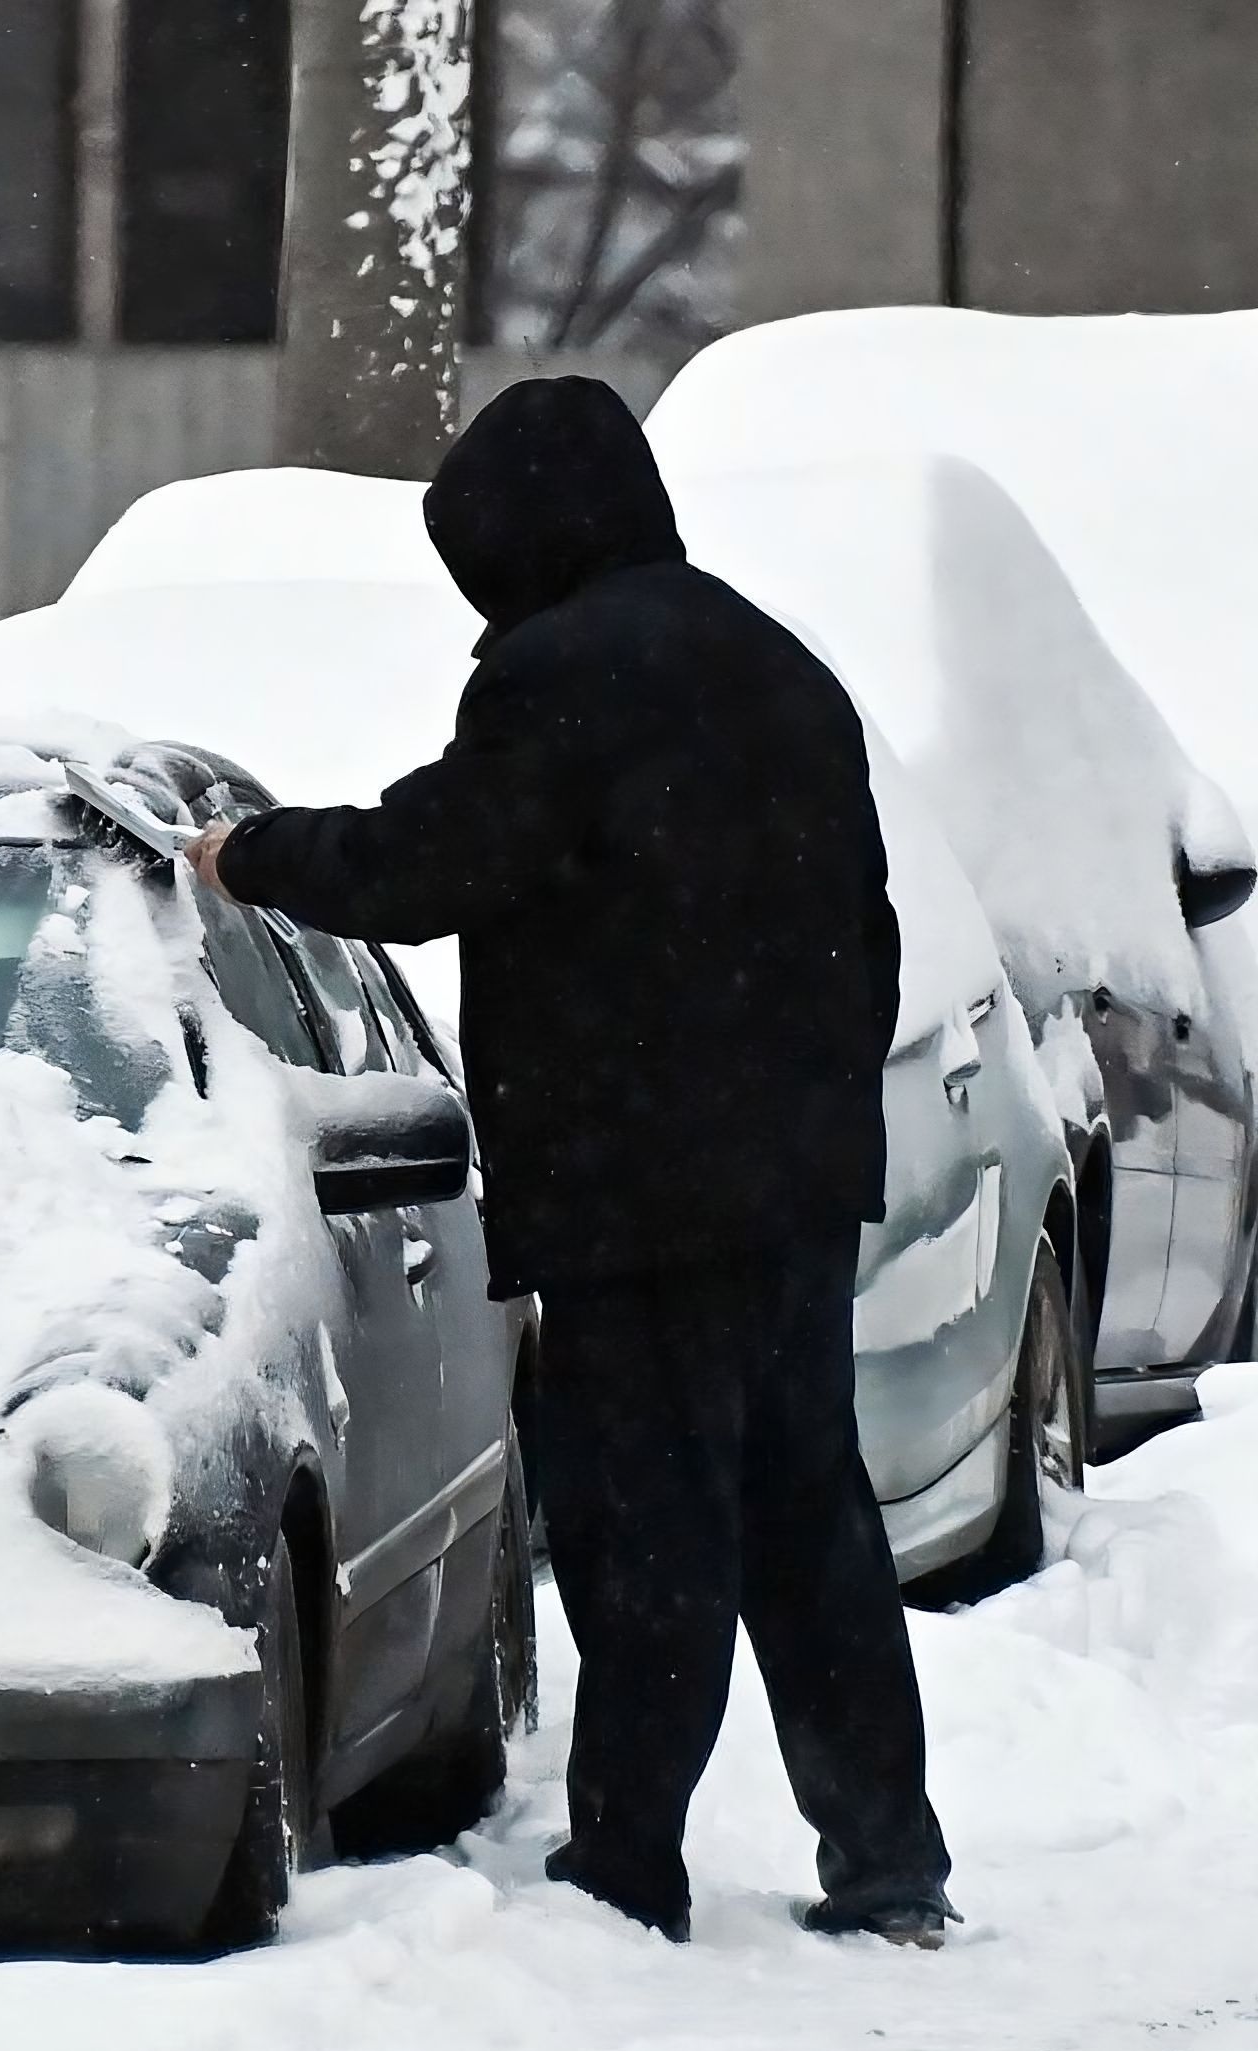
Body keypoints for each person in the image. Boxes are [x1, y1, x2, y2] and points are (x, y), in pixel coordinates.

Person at [189, 375, 958, 1949]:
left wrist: (249, 855)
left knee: (650, 1531)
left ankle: (627, 1862)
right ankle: (886, 1856)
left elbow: (426, 864)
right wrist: (796, 1108)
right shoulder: (781, 668)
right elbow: (864, 933)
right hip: (796, 1186)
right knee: (808, 1512)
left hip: (639, 1194)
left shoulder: (563, 682)